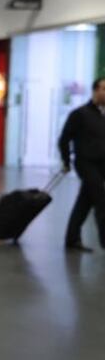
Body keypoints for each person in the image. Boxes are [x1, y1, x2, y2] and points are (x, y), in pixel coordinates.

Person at [59, 78, 105, 252]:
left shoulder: (103, 115)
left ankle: (72, 239)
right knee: (101, 200)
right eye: (103, 89)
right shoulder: (80, 114)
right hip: (85, 163)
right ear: (95, 91)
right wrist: (65, 160)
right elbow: (64, 139)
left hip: (102, 165)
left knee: (85, 201)